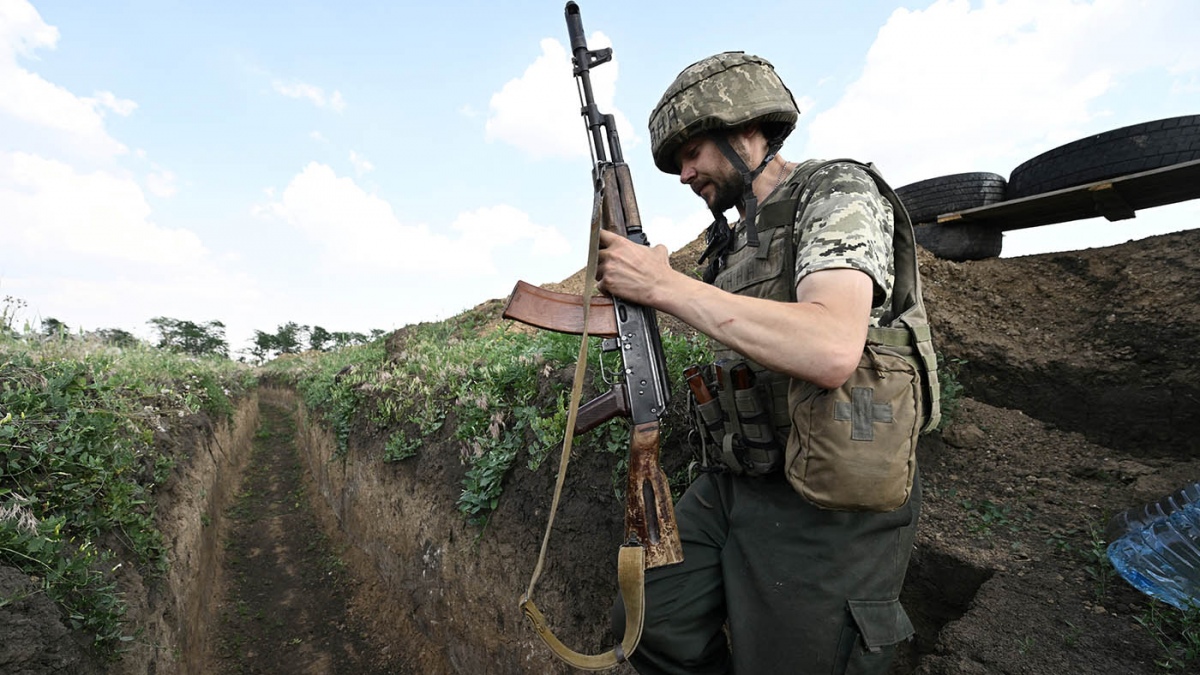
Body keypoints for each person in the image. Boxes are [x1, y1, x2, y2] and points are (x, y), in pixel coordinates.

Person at [600, 52, 938, 674]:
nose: (684, 172)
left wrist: (667, 288)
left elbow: (832, 347)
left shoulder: (836, 191)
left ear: (743, 129)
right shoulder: (733, 241)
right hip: (739, 475)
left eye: (692, 151)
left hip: (829, 498)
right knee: (651, 616)